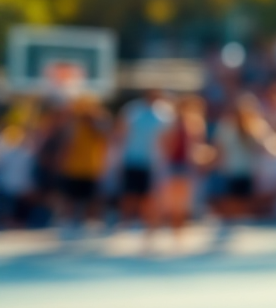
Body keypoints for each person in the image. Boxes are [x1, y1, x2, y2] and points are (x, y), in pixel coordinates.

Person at [116, 90, 173, 228]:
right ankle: (126, 221)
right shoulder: (133, 110)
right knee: (130, 192)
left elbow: (169, 138)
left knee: (150, 194)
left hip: (153, 161)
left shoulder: (165, 113)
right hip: (132, 158)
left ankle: (147, 222)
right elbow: (121, 132)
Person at [56, 97, 111, 229]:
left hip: (91, 166)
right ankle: (68, 219)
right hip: (72, 166)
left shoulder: (97, 125)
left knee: (91, 197)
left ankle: (89, 219)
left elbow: (106, 132)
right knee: (70, 196)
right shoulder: (72, 124)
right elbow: (66, 144)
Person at [160, 96, 208, 239]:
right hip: (173, 164)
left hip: (187, 165)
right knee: (172, 199)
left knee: (185, 199)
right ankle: (174, 228)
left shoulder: (195, 123)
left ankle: (180, 229)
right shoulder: (171, 123)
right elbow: (164, 143)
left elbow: (198, 145)